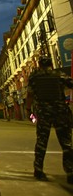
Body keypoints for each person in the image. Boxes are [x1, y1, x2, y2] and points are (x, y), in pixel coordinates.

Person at [26, 55, 73, 184]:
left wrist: (29, 113)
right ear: (51, 64)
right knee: (67, 144)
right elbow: (71, 84)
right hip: (60, 112)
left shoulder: (34, 77)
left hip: (43, 113)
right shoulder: (59, 75)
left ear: (39, 65)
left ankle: (38, 170)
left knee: (41, 143)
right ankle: (70, 172)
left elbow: (29, 95)